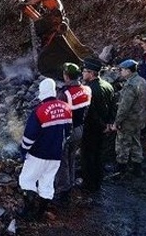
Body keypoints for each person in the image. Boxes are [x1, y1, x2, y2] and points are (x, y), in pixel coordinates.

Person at [19, 78, 72, 220]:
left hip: (38, 154)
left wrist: (23, 150)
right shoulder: (66, 108)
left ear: (42, 91)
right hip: (56, 155)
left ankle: (28, 211)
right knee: (47, 184)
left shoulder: (39, 111)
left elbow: (29, 137)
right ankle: (40, 213)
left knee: (26, 180)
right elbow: (68, 132)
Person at [54, 62, 91, 204]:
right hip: (80, 128)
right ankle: (71, 183)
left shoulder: (65, 94)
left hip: (67, 131)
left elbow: (59, 115)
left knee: (62, 161)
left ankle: (63, 191)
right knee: (71, 157)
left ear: (66, 76)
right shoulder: (87, 89)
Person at [80, 57, 116, 193]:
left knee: (88, 156)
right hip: (105, 128)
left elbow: (91, 113)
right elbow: (113, 106)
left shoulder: (88, 89)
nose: (83, 74)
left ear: (91, 73)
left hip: (92, 129)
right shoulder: (108, 85)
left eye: (84, 71)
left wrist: (102, 125)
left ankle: (89, 184)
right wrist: (109, 124)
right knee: (99, 155)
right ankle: (98, 181)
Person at [112, 59, 146, 178]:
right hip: (139, 118)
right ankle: (137, 168)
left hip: (128, 120)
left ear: (128, 71)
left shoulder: (130, 86)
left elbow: (124, 107)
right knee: (136, 142)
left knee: (122, 144)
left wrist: (117, 122)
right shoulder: (142, 80)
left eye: (122, 70)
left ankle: (121, 170)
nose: (120, 72)